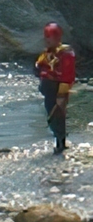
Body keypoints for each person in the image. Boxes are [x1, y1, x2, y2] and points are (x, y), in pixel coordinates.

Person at [38, 21, 77, 155]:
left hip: (57, 89)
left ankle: (61, 144)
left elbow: (67, 75)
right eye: (45, 36)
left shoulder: (65, 53)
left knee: (57, 117)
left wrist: (62, 94)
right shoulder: (48, 53)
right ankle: (58, 141)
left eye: (49, 36)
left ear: (57, 38)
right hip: (48, 90)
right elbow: (41, 65)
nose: (46, 39)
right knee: (51, 116)